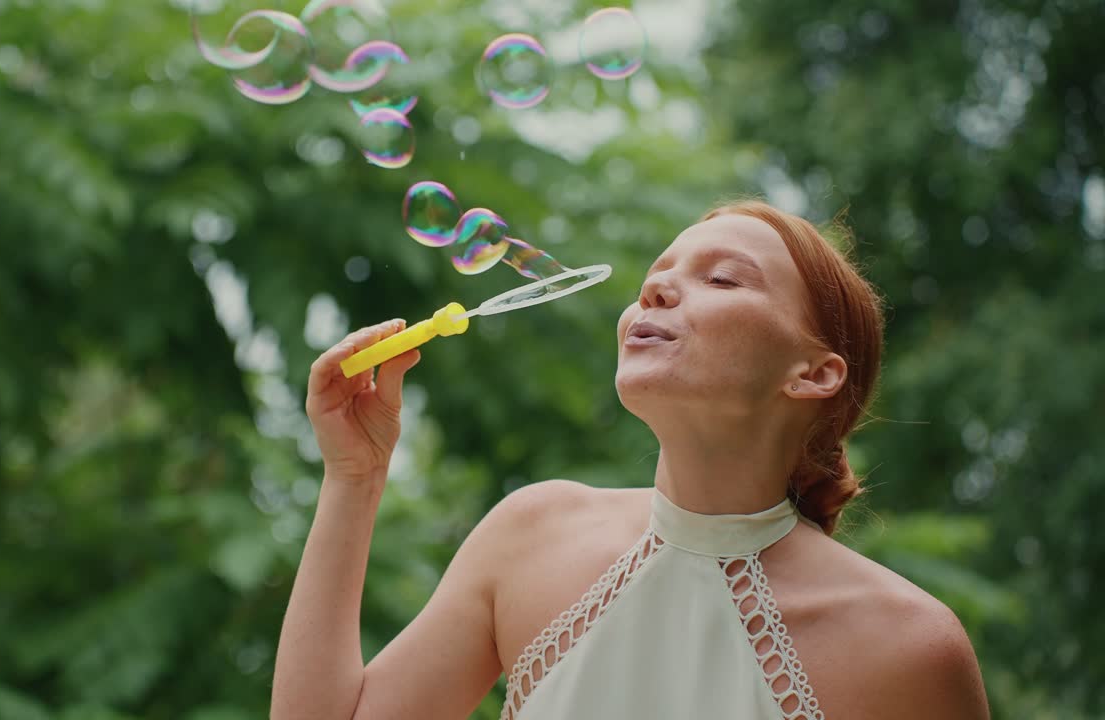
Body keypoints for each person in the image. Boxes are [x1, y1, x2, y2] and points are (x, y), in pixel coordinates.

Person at [270, 201, 991, 719]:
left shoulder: (909, 648)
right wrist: (354, 477)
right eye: (659, 272)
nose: (655, 288)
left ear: (812, 374)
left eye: (724, 279)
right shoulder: (530, 535)